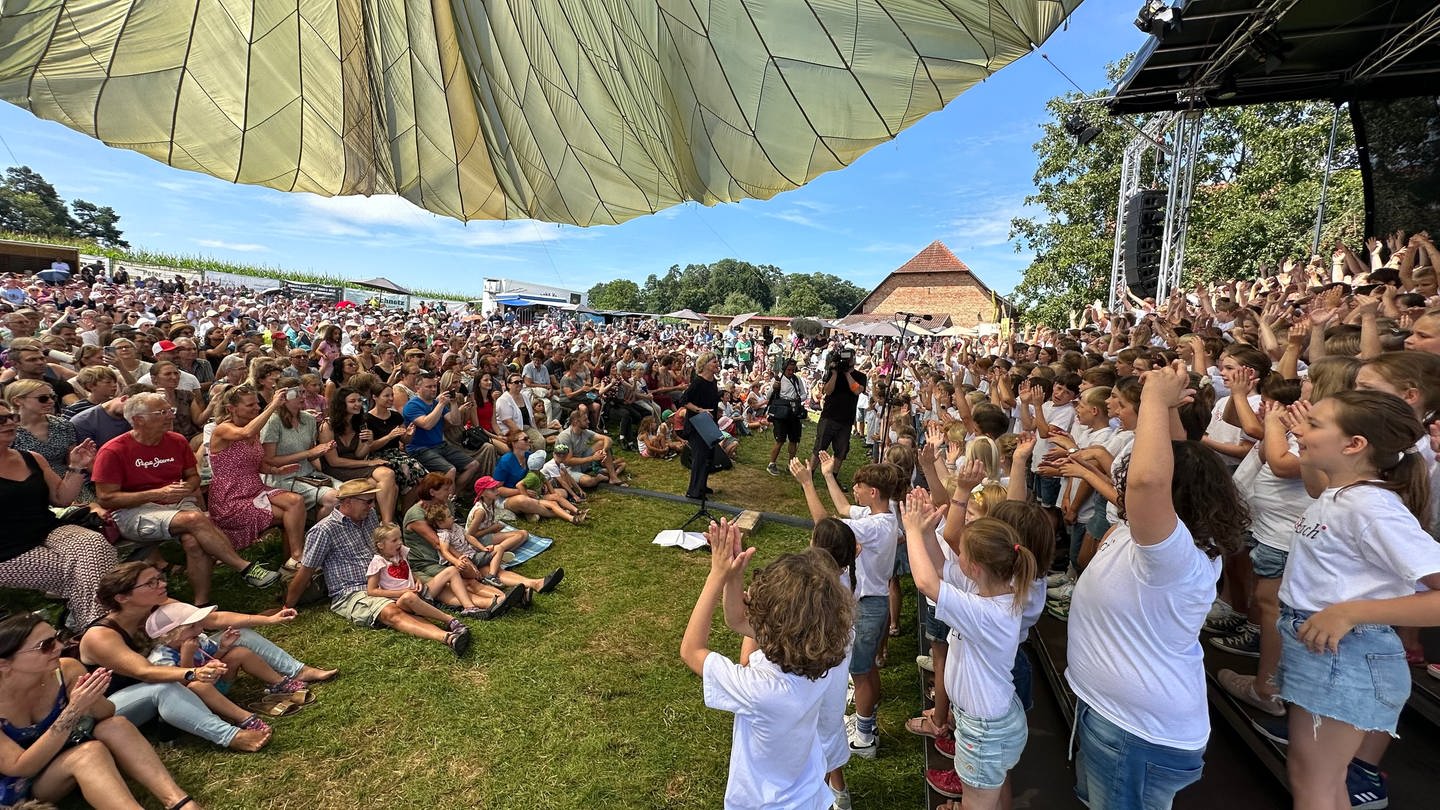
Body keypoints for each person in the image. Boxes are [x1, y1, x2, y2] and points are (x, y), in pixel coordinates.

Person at [1065, 360, 1248, 810]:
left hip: (1135, 734)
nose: (1125, 484)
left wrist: (1149, 401)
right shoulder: (1161, 537)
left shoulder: (1176, 556)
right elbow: (1173, 458)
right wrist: (1165, 405)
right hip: (1112, 717)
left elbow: (1150, 480)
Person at [1277, 390, 1440, 808]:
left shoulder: (1372, 507)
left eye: (1314, 425)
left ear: (1354, 445)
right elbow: (1318, 485)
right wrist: (1304, 432)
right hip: (1325, 649)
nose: (1300, 430)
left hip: (1345, 654)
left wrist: (1351, 611)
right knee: (1317, 778)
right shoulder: (1343, 492)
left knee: (1315, 783)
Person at [679, 518, 853, 810]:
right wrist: (733, 575)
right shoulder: (820, 657)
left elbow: (691, 649)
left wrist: (717, 575)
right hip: (805, 796)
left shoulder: (761, 691)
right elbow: (736, 619)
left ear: (772, 621)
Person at [903, 483, 1035, 808]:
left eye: (961, 551)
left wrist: (910, 532)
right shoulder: (992, 587)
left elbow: (925, 582)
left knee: (977, 800)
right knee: (989, 790)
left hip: (984, 731)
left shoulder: (986, 612)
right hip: (988, 722)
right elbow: (938, 568)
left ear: (975, 567)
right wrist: (927, 532)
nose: (955, 555)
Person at [93, 392, 279, 607]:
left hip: (178, 503)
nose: (170, 416)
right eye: (161, 412)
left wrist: (186, 488)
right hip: (136, 510)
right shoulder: (113, 451)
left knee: (193, 542)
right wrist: (157, 494)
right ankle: (245, 568)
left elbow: (193, 477)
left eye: (170, 410)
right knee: (194, 520)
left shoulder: (177, 441)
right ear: (137, 420)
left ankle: (201, 604)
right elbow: (106, 498)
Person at [0, 614, 203, 810]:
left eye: (57, 638)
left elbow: (107, 714)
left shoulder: (65, 670)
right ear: (4, 663)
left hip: (65, 755)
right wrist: (74, 709)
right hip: (22, 786)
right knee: (89, 754)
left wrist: (92, 697)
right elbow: (21, 767)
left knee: (116, 725)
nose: (60, 647)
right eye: (46, 646)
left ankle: (180, 802)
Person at [283, 478, 473, 657]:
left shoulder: (369, 516)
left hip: (386, 577)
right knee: (391, 612)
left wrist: (408, 574)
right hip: (354, 591)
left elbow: (383, 552)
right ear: (348, 501)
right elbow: (306, 571)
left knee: (432, 586)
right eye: (368, 501)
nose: (372, 506)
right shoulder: (324, 530)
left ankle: (479, 607)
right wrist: (287, 606)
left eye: (372, 501)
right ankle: (448, 637)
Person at [792, 455, 899, 760]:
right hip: (873, 603)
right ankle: (867, 720)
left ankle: (865, 737)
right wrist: (828, 476)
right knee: (866, 669)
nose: (854, 490)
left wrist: (807, 483)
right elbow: (841, 509)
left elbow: (826, 527)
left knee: (861, 671)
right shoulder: (881, 514)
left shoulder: (875, 526)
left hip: (868, 607)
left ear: (874, 492)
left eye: (859, 486)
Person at [0, 398, 111, 630]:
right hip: (7, 551)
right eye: (2, 420)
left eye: (13, 418)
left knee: (94, 545)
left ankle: (92, 630)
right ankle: (101, 628)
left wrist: (77, 466)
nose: (10, 423)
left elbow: (61, 499)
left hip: (48, 530)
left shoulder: (31, 457)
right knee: (86, 571)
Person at [207, 386, 311, 568]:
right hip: (230, 497)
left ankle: (295, 556)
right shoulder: (223, 429)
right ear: (231, 408)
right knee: (290, 515)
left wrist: (277, 471)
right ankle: (295, 559)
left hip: (254, 488)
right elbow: (244, 433)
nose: (256, 407)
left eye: (257, 403)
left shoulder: (253, 430)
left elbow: (257, 463)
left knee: (296, 501)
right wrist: (273, 406)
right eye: (250, 405)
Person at [367, 522, 489, 629]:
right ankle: (448, 619)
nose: (400, 543)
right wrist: (400, 593)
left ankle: (469, 607)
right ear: (380, 545)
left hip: (420, 593)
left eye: (400, 538)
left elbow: (408, 572)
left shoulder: (401, 553)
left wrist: (418, 580)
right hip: (403, 601)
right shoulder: (378, 562)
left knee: (451, 570)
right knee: (409, 596)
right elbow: (371, 591)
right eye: (394, 540)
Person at [319, 387, 402, 523]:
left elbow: (358, 454)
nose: (357, 404)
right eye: (352, 401)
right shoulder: (327, 426)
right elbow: (333, 461)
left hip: (354, 465)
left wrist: (368, 442)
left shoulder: (359, 423)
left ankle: (386, 523)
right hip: (335, 468)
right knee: (386, 486)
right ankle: (385, 524)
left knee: (388, 475)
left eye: (359, 400)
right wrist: (368, 463)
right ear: (341, 404)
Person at [402, 373, 480, 493]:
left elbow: (455, 421)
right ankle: (448, 502)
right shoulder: (412, 405)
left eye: (434, 386)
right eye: (429, 387)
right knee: (450, 470)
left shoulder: (436, 403)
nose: (433, 389)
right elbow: (427, 424)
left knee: (473, 465)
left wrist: (453, 403)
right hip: (419, 449)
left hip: (439, 445)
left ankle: (454, 496)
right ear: (418, 388)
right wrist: (441, 404)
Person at [811, 348, 866, 484]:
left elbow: (857, 391)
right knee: (819, 447)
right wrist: (835, 373)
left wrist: (847, 373)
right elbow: (828, 391)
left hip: (846, 419)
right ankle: (809, 476)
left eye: (850, 357)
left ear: (853, 359)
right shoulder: (833, 372)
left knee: (841, 451)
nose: (847, 359)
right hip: (829, 416)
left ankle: (833, 479)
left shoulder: (860, 376)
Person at [8, 379, 78, 476]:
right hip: (26, 483)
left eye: (53, 397)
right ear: (17, 401)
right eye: (43, 398)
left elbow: (72, 461)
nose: (51, 402)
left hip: (66, 479)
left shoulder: (63, 424)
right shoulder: (8, 430)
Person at [681, 352, 722, 501]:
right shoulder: (698, 382)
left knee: (708, 456)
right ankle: (694, 491)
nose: (717, 364)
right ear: (705, 365)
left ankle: (702, 485)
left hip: (709, 423)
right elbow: (684, 400)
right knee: (700, 457)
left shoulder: (713, 381)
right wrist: (700, 410)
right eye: (714, 362)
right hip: (697, 423)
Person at [767, 358, 807, 476]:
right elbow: (769, 396)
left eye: (792, 370)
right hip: (781, 412)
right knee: (780, 440)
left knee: (794, 439)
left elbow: (804, 394)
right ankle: (771, 464)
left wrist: (799, 399)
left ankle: (791, 465)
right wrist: (774, 387)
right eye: (788, 369)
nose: (790, 372)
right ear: (784, 369)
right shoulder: (778, 379)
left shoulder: (797, 379)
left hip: (794, 411)